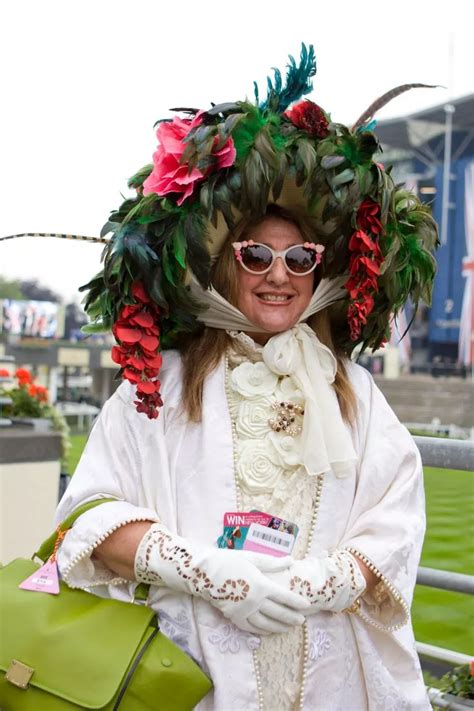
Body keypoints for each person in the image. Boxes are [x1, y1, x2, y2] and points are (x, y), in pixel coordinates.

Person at [55, 45, 438, 710]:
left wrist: (324, 583)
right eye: (256, 253)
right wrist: (210, 572)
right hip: (191, 676)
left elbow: (395, 517)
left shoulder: (358, 393)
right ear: (225, 264)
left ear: (321, 270)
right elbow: (89, 517)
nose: (279, 273)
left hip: (330, 685)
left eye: (300, 256)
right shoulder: (161, 387)